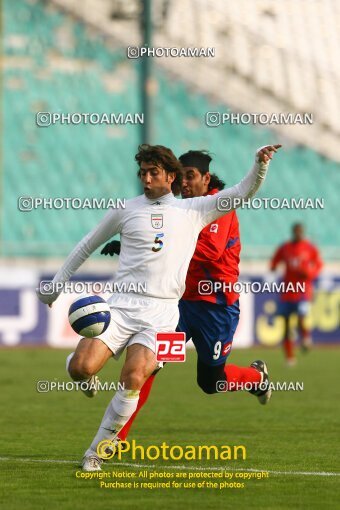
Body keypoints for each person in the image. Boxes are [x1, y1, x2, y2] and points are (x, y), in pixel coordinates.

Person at [36, 143, 281, 471]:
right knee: (82, 368)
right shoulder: (126, 209)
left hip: (168, 313)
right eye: (142, 173)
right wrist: (55, 285)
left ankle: (98, 450)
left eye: (153, 173)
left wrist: (259, 164)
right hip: (120, 307)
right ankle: (82, 371)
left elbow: (243, 191)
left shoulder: (195, 210)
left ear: (171, 177)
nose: (146, 179)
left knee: (143, 374)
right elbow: (86, 244)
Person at [103, 150, 272, 447]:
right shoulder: (181, 211)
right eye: (181, 177)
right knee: (151, 363)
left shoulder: (219, 207)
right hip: (180, 307)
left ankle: (256, 378)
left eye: (191, 176)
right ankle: (118, 437)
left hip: (216, 309)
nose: (185, 184)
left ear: (206, 178)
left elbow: (209, 252)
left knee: (210, 382)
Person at [270, 223, 322, 365]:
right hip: (288, 291)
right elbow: (275, 261)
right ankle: (289, 357)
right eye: (296, 231)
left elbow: (318, 264)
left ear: (303, 232)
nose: (298, 233)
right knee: (286, 324)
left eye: (300, 231)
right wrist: (273, 266)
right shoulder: (285, 247)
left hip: (303, 290)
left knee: (301, 315)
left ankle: (305, 338)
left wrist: (310, 274)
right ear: (293, 231)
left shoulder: (309, 248)